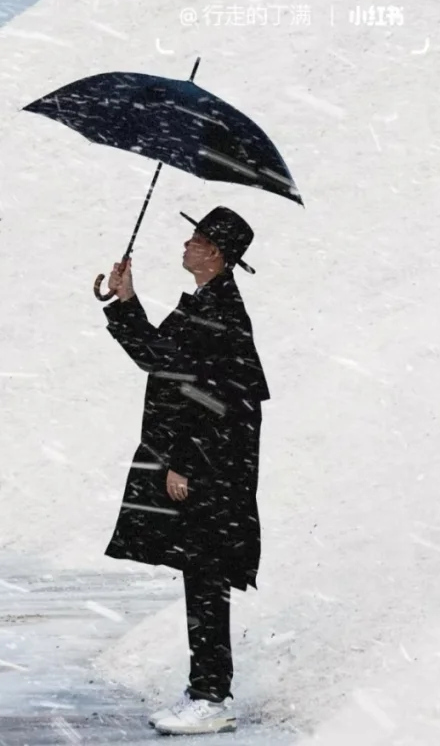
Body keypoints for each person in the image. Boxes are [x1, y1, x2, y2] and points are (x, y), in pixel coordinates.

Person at [102, 205, 269, 737]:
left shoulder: (222, 311)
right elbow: (165, 360)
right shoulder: (207, 302)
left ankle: (211, 696)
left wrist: (184, 463)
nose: (186, 244)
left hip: (212, 470)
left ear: (216, 253)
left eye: (195, 238)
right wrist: (126, 302)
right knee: (202, 577)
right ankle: (206, 691)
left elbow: (215, 397)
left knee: (207, 578)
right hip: (211, 466)